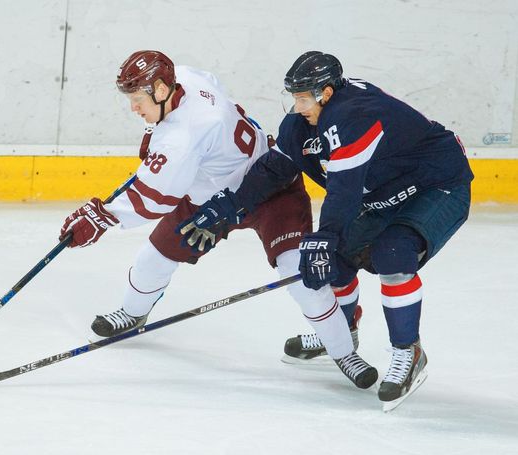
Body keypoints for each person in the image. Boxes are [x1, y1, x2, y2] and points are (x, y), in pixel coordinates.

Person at [60, 50, 378, 389]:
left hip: (271, 189)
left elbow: (155, 199)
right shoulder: (186, 77)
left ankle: (343, 351)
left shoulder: (181, 139)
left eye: (138, 99)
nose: (133, 108)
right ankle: (133, 313)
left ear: (162, 90)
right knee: (153, 259)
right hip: (213, 204)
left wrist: (102, 217)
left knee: (299, 275)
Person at [179, 51, 473, 410]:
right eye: (295, 97)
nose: (298, 106)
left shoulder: (357, 115)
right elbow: (274, 170)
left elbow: (345, 189)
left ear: (327, 92)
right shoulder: (300, 125)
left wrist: (324, 236)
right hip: (383, 194)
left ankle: (408, 352)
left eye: (304, 98)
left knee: (393, 255)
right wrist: (227, 207)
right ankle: (343, 329)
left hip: (437, 184)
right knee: (333, 259)